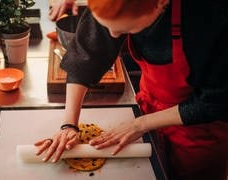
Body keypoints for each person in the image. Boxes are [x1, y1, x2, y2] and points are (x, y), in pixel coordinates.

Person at [36, 0, 228, 179]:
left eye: (125, 28)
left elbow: (216, 100)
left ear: (160, 2)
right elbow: (87, 55)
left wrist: (140, 125)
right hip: (149, 104)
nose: (112, 35)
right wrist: (69, 125)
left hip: (200, 130)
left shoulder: (211, 14)